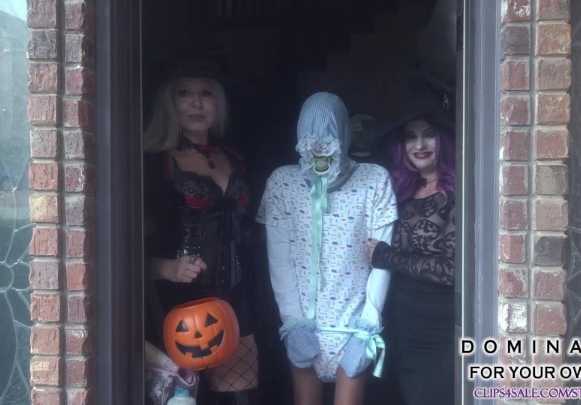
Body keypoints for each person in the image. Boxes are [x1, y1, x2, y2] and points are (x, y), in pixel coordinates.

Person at [256, 92, 398, 405]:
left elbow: (382, 259)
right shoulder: (282, 183)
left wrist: (368, 325)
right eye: (312, 138)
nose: (320, 147)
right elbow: (279, 260)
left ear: (344, 134)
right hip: (304, 327)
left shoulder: (374, 180)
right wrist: (293, 322)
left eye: (328, 137)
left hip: (353, 325)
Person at [143, 59, 259, 405]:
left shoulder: (234, 157)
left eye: (206, 94)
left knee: (240, 399)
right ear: (169, 103)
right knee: (181, 398)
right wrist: (166, 267)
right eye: (184, 94)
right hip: (176, 301)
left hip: (235, 295)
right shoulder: (154, 162)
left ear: (218, 102)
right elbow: (123, 242)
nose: (196, 103)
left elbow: (245, 227)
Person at [367, 108, 456, 405]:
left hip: (439, 328)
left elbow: (451, 270)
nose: (419, 145)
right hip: (399, 323)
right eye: (410, 137)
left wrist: (388, 257)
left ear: (443, 140)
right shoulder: (399, 190)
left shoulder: (458, 191)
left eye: (429, 135)